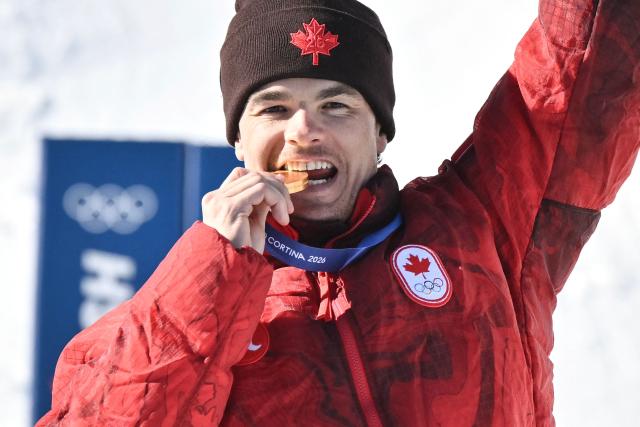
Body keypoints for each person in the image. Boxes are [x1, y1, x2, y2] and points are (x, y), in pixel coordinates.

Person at [38, 0, 639, 425]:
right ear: (239, 144)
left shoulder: (485, 226)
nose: (305, 131)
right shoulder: (187, 306)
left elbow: (584, 68)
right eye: (274, 109)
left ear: (380, 133)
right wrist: (212, 273)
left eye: (337, 105)